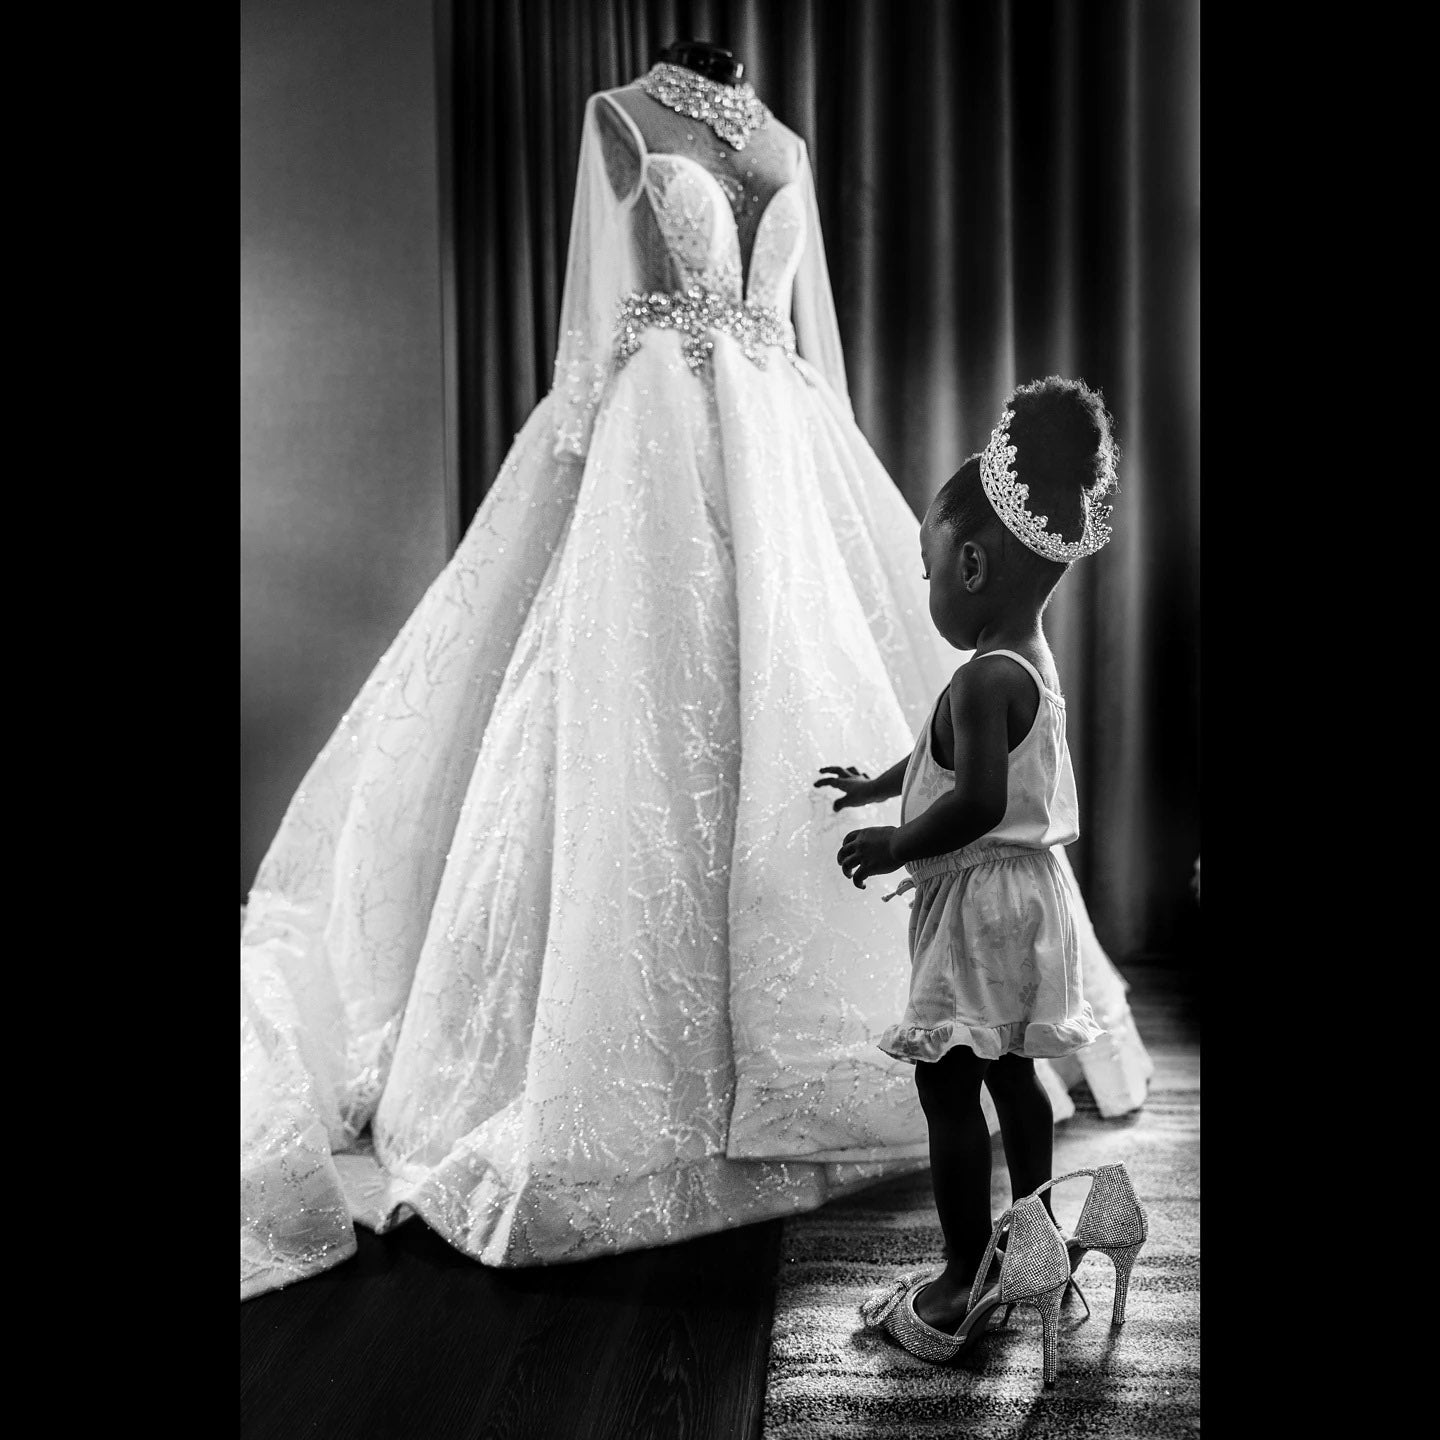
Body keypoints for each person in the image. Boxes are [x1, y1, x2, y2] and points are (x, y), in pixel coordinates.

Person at [240, 54, 1150, 1302]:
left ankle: (972, 1208)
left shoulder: (787, 145)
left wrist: (897, 828)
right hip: (658, 427)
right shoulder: (617, 115)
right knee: (647, 737)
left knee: (812, 676)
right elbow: (591, 317)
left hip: (781, 427)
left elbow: (804, 325)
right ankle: (959, 1207)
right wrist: (577, 443)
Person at [820, 378, 1144, 1375]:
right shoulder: (1025, 664)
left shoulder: (983, 675)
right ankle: (1035, 1247)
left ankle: (965, 1276)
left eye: (927, 570)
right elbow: (944, 757)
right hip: (1027, 902)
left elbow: (964, 802)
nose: (928, 589)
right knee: (1012, 1072)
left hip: (980, 904)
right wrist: (880, 783)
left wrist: (894, 840)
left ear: (969, 561)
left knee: (946, 1085)